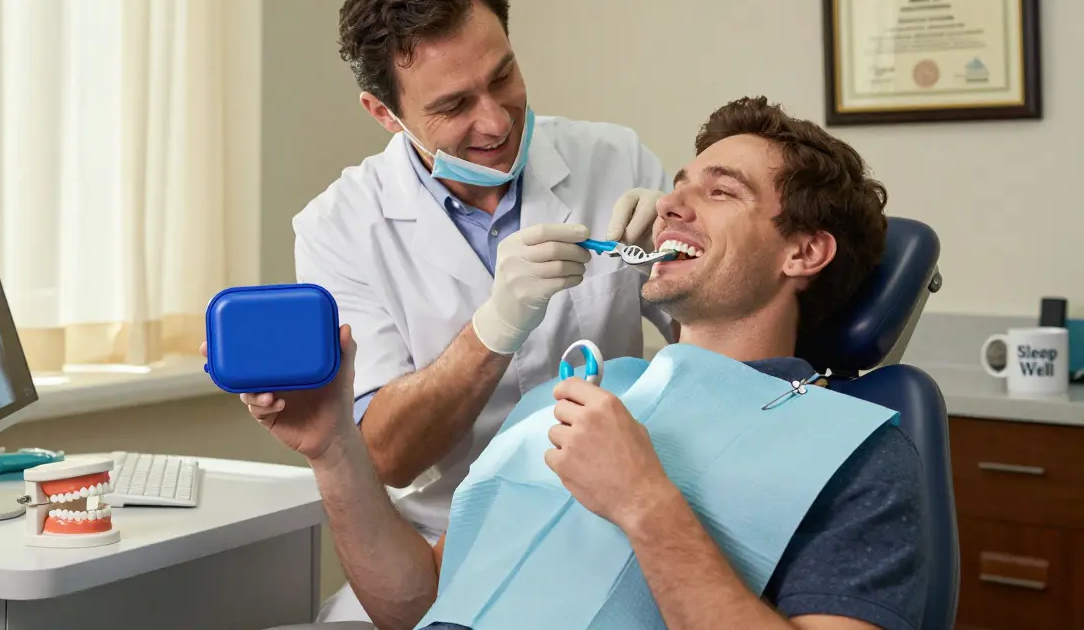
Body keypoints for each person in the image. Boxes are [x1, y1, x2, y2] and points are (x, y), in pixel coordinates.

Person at [237, 96, 927, 630]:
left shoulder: (854, 450)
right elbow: (416, 604)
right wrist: (333, 449)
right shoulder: (564, 400)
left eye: (720, 192)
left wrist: (643, 500)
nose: (669, 205)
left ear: (804, 252)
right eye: (677, 186)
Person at [290, 0, 678, 621]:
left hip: (608, 526)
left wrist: (680, 265)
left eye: (503, 77)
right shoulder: (338, 228)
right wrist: (495, 328)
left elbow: (728, 351)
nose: (496, 121)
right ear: (383, 113)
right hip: (444, 547)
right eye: (454, 105)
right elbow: (385, 453)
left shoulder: (615, 158)